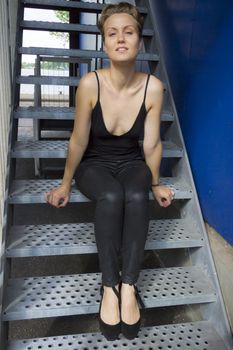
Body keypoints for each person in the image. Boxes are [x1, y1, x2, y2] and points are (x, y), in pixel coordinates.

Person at [45, 2, 174, 341]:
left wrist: (157, 182)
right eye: (112, 33)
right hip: (95, 164)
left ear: (138, 40)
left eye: (128, 32)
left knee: (135, 192)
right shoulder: (91, 83)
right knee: (112, 194)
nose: (121, 39)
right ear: (104, 43)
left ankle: (129, 286)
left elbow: (151, 144)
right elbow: (77, 139)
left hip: (131, 162)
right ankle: (108, 287)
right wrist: (65, 182)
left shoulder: (152, 87)